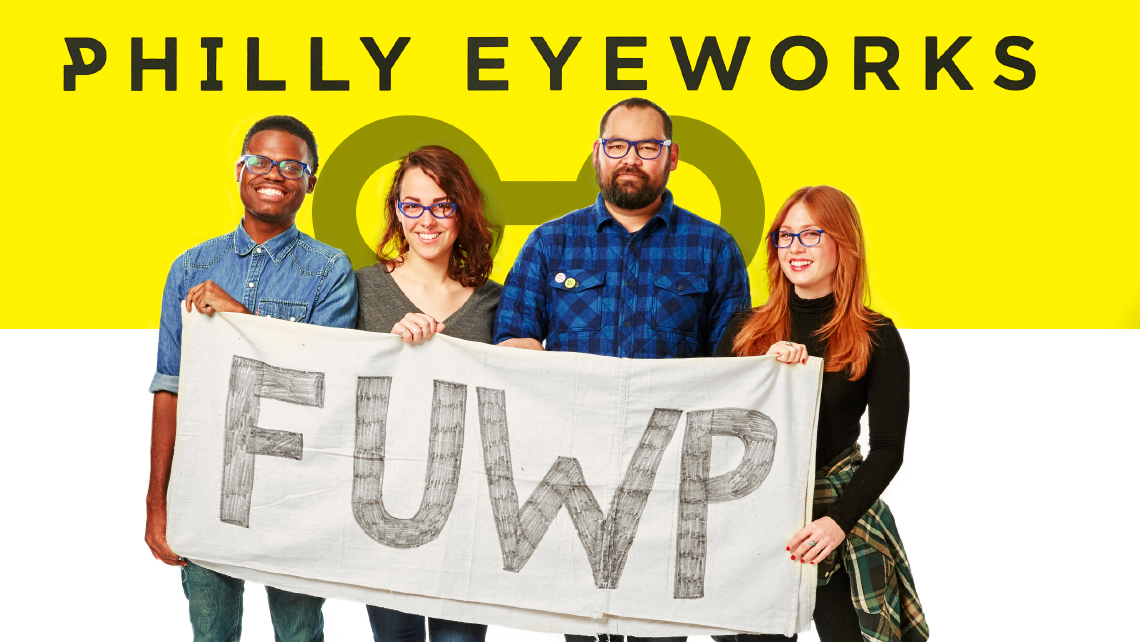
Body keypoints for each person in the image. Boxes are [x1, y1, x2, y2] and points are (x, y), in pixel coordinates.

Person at [494, 98, 751, 642]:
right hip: (574, 479)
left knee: (660, 631)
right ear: (597, 155)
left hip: (669, 485)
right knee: (583, 630)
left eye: (647, 147)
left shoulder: (713, 249)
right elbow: (512, 343)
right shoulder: (549, 243)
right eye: (617, 146)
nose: (630, 159)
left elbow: (734, 370)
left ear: (671, 156)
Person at [145, 115, 358, 642]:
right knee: (212, 632)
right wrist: (157, 501)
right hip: (205, 485)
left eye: (292, 165)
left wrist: (235, 315)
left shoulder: (331, 270)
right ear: (239, 171)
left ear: (311, 181)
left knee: (299, 632)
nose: (274, 174)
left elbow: (318, 380)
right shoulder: (190, 266)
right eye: (261, 161)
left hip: (295, 490)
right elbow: (170, 386)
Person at [713, 186, 928, 642]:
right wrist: (761, 373)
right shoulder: (743, 330)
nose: (795, 248)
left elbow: (888, 449)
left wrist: (837, 523)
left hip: (835, 516)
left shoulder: (876, 336)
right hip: (755, 521)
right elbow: (713, 430)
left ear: (842, 242)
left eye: (811, 234)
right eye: (785, 237)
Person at [355, 145, 500, 642]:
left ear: (463, 211)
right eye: (412, 205)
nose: (427, 220)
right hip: (383, 509)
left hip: (469, 515)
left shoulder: (495, 303)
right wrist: (391, 351)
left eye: (443, 205)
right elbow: (326, 376)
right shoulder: (360, 290)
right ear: (397, 211)